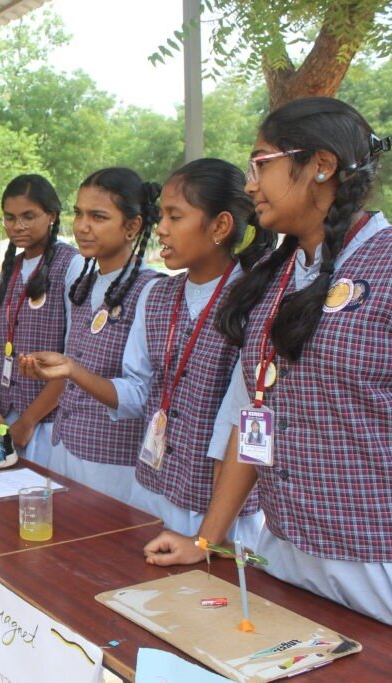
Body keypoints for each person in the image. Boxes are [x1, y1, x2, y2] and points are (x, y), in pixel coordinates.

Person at [144, 97, 392, 643]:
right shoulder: (273, 279)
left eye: (261, 163)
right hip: (288, 559)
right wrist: (206, 540)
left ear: (321, 165)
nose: (250, 185)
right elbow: (250, 418)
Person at [104, 158, 274, 539]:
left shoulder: (256, 302)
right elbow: (138, 388)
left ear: (220, 226)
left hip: (219, 510)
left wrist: (213, 531)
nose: (161, 228)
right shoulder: (155, 295)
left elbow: (246, 418)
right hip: (151, 490)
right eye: (161, 215)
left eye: (175, 216)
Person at [20, 167, 162, 502]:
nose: (82, 226)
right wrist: (59, 366)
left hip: (112, 464)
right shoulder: (85, 284)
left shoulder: (151, 290)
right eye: (79, 213)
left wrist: (72, 369)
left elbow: (142, 393)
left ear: (132, 227)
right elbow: (76, 362)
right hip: (65, 447)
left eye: (98, 217)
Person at [0, 174, 84, 464]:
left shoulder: (72, 264)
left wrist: (28, 421)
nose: (18, 226)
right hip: (5, 417)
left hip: (48, 421)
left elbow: (73, 357)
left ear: (51, 215)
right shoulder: (11, 268)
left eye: (28, 216)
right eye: (10, 217)